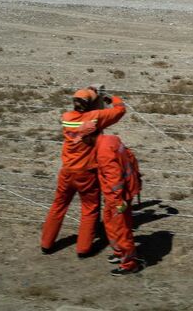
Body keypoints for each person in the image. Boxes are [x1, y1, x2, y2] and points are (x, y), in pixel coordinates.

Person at [39, 86, 126, 257]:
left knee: (58, 205)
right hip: (87, 173)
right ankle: (84, 248)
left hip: (67, 171)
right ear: (92, 104)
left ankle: (46, 244)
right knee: (89, 208)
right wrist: (112, 98)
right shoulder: (95, 118)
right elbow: (120, 110)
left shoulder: (66, 118)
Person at [97, 132, 142, 275]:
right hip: (120, 192)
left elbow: (114, 179)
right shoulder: (111, 139)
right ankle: (119, 252)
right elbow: (130, 156)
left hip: (119, 196)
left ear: (89, 137)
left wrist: (118, 202)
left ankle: (130, 263)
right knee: (110, 222)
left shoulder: (103, 153)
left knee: (122, 229)